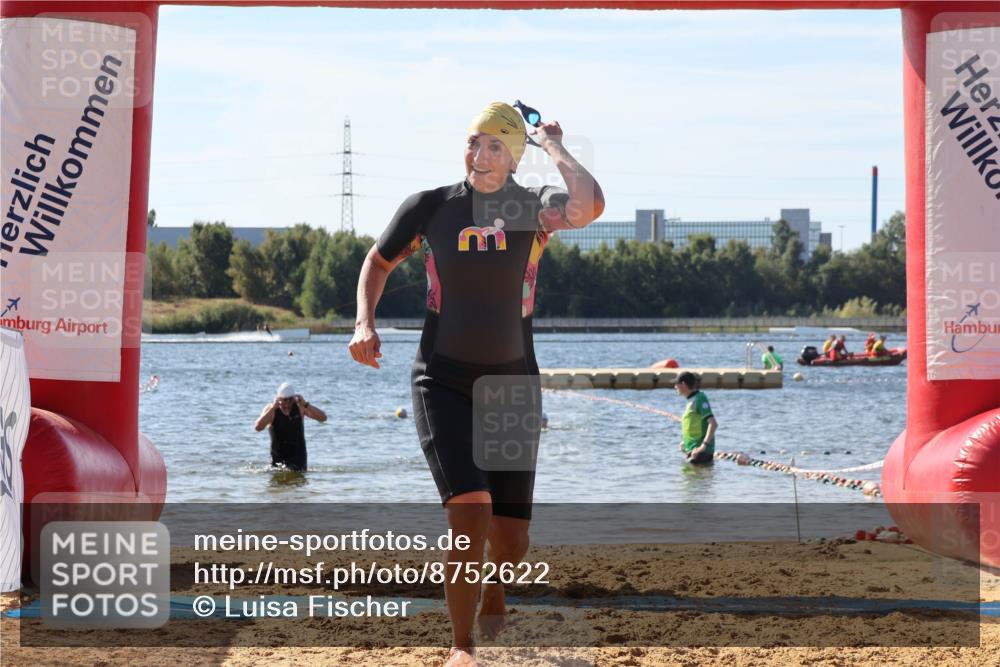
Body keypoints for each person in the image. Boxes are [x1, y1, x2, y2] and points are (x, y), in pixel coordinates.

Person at [348, 101, 603, 667]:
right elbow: (377, 261)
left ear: (514, 156)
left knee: (510, 546)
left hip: (513, 385)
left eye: (494, 146)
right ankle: (460, 649)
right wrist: (365, 321)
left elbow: (590, 206)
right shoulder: (430, 208)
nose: (479, 154)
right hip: (442, 377)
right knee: (469, 511)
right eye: (472, 142)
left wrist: (555, 147)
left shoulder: (534, 209)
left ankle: (495, 585)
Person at [254, 382, 327, 472]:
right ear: (279, 399)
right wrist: (273, 408)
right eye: (285, 400)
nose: (288, 403)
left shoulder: (301, 408)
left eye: (290, 399)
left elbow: (323, 418)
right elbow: (258, 427)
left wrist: (306, 404)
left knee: (298, 483)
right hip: (278, 458)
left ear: (294, 398)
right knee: (277, 484)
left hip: (299, 458)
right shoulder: (271, 410)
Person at [675, 371, 718, 465]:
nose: (675, 387)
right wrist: (685, 442)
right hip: (692, 450)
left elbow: (713, 424)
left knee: (696, 478)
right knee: (688, 478)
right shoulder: (691, 400)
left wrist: (703, 446)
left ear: (683, 384)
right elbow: (695, 424)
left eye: (676, 384)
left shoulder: (700, 398)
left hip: (700, 453)